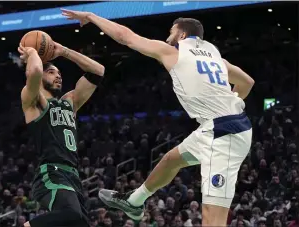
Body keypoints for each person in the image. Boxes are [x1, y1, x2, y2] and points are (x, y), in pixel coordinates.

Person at [61, 9, 254, 226]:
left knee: (212, 217)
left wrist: (92, 17)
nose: (167, 37)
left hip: (224, 135)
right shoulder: (217, 58)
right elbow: (247, 82)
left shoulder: (175, 52)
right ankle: (135, 201)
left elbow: (126, 37)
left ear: (182, 35)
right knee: (171, 160)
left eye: (171, 32)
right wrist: (228, 103)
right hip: (218, 127)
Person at [17, 39, 105, 227]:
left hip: (73, 176)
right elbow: (34, 72)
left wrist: (64, 51)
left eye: (59, 73)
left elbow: (98, 71)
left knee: (80, 222)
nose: (58, 76)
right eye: (51, 72)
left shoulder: (69, 102)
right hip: (50, 172)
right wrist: (33, 53)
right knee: (71, 213)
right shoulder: (34, 102)